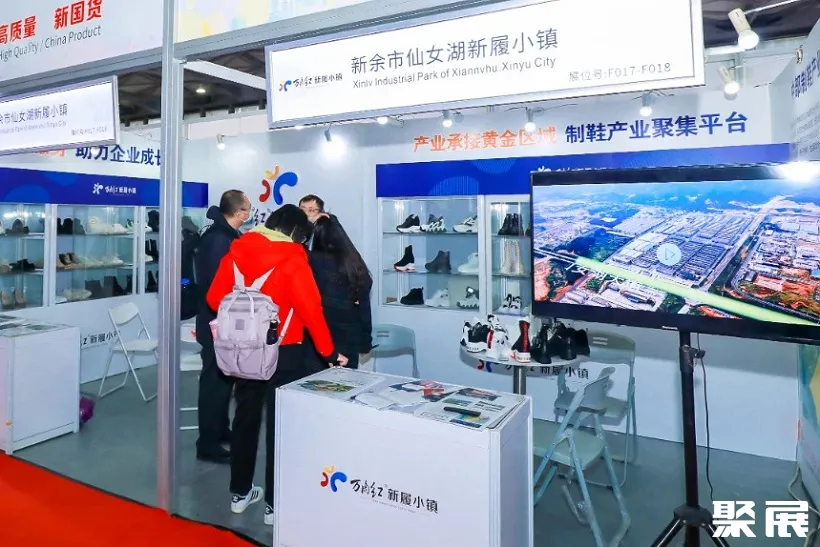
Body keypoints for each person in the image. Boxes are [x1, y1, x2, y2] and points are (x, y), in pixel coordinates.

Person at [205, 204, 348, 525]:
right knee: (280, 427)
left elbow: (214, 299)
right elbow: (311, 310)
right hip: (283, 351)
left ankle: (240, 494)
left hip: (243, 350)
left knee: (245, 419)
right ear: (297, 233)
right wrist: (329, 352)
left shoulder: (236, 252)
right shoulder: (294, 259)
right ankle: (274, 504)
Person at [194, 190, 250, 464]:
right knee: (213, 384)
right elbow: (216, 285)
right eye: (247, 208)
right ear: (239, 212)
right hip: (216, 321)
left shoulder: (226, 235)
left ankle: (220, 430)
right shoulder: (218, 239)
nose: (249, 213)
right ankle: (207, 442)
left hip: (223, 320)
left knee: (224, 381)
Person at [304, 216, 373, 371]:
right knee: (345, 383)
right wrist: (365, 341)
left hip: (318, 338)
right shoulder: (354, 262)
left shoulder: (310, 261)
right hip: (349, 336)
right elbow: (364, 308)